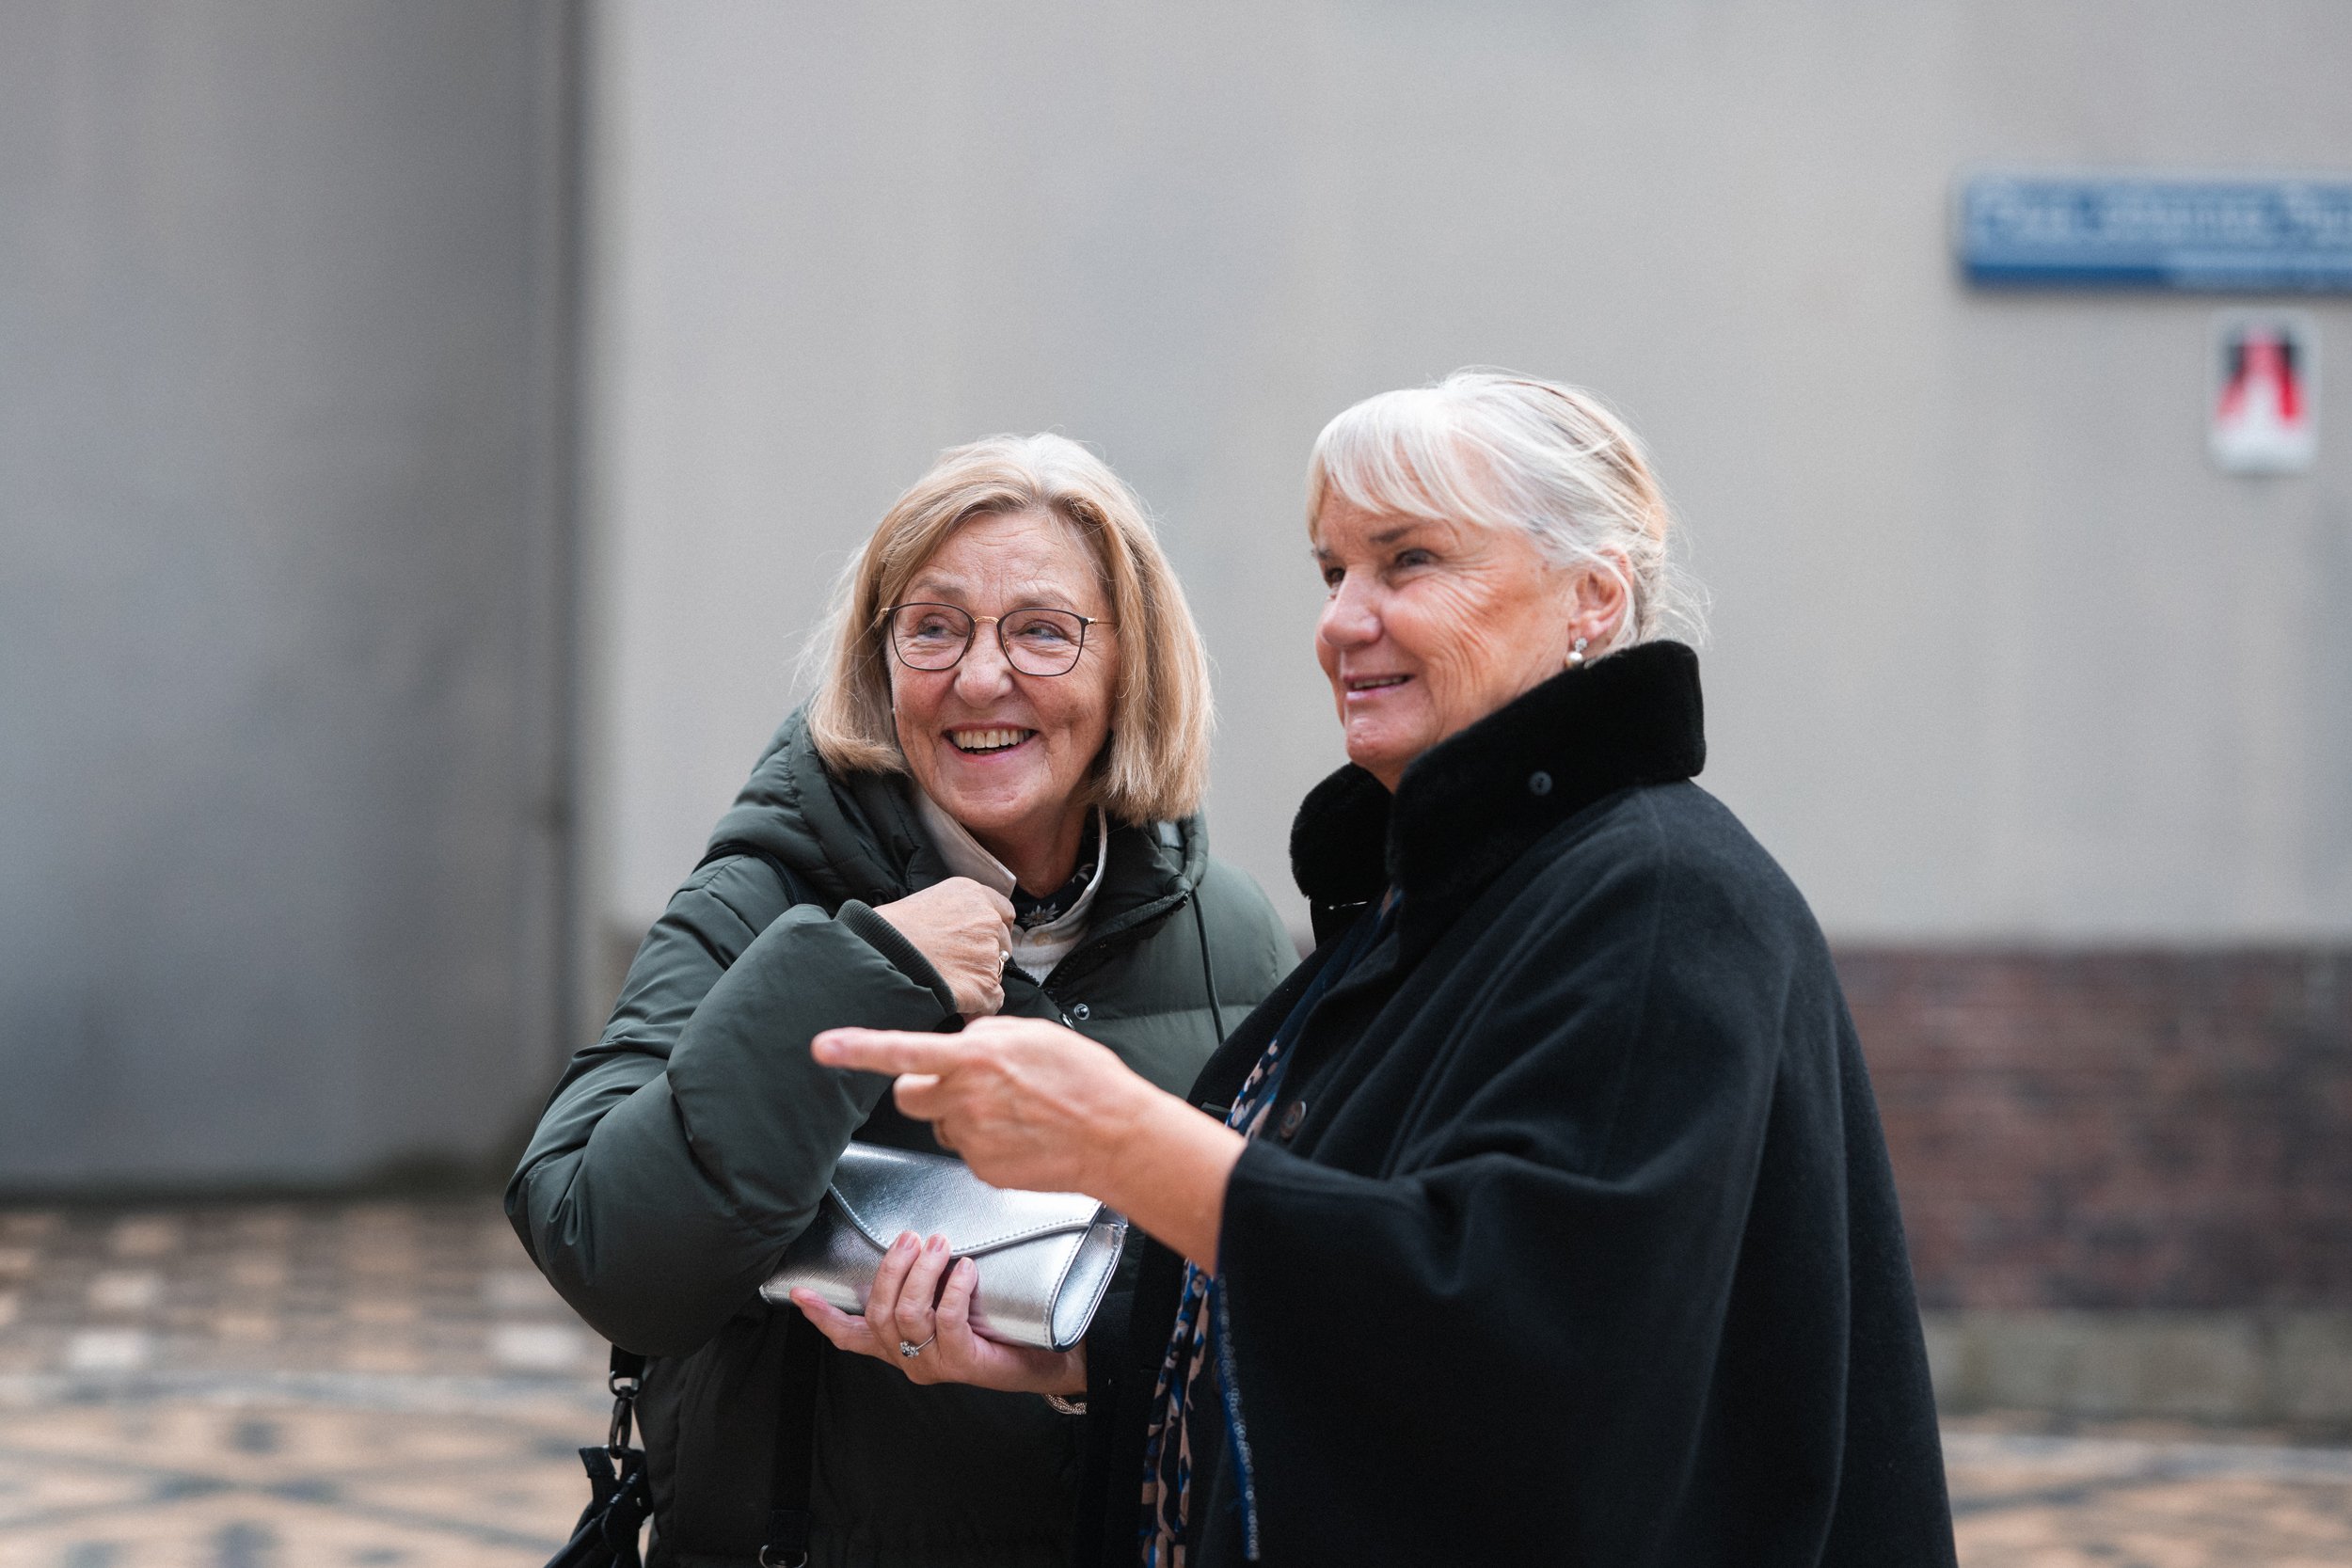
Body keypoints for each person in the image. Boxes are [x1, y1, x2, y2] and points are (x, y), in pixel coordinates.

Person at [799, 372, 1960, 1566]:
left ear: (1593, 598)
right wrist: (1086, 1353)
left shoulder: (1659, 898)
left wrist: (1118, 1137)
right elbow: (1345, 1267)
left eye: (1407, 561)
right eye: (1331, 570)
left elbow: (1520, 1334)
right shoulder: (1449, 895)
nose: (1343, 620)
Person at [508, 434, 1298, 1568]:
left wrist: (1088, 1359)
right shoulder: (765, 893)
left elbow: (1284, 1293)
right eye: (932, 627)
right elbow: (604, 1245)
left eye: (1040, 628)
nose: (980, 678)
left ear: (1132, 664)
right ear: (880, 664)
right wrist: (869, 963)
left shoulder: (1231, 929)